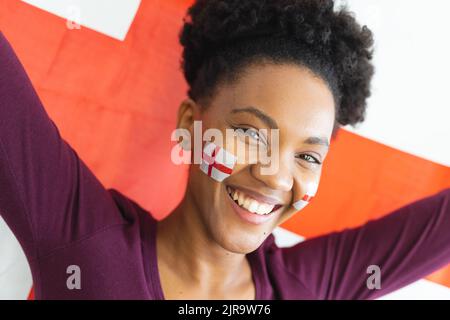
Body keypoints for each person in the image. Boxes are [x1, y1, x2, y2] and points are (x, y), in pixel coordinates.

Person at [0, 0, 449, 300]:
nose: (276, 176)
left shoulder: (309, 287)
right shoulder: (82, 241)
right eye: (252, 134)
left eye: (308, 156)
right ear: (189, 125)